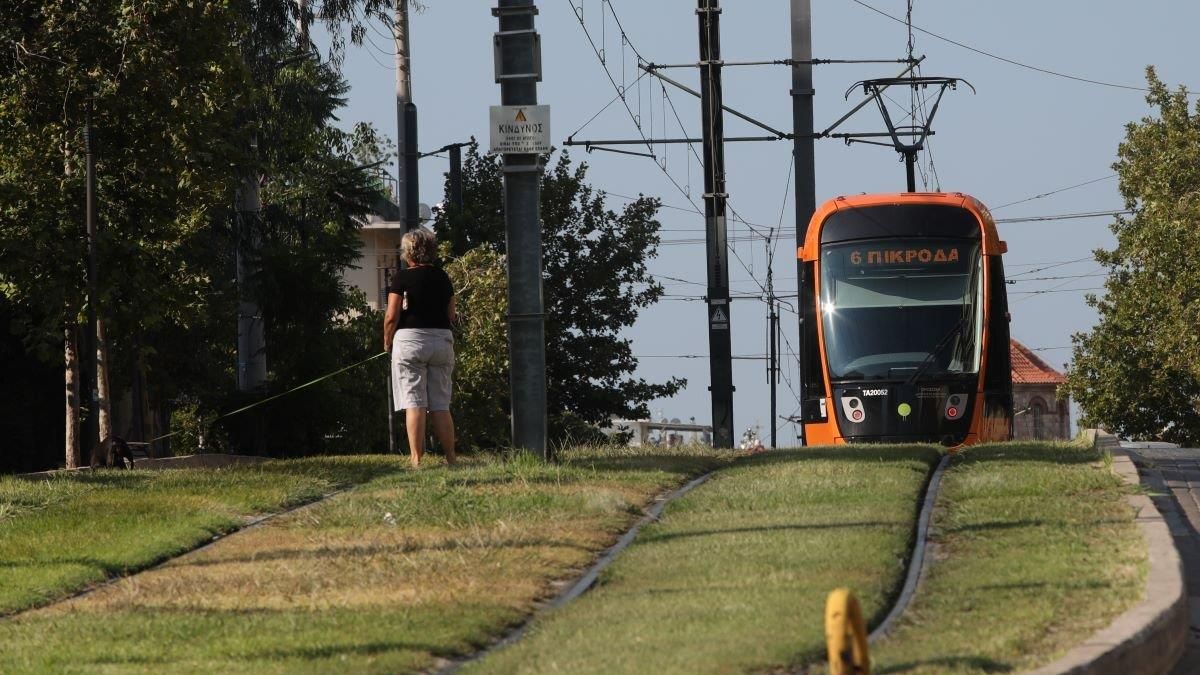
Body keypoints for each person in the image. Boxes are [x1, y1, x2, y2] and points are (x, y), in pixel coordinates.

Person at [383, 229, 457, 467]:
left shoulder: (401, 278)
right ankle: (451, 459)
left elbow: (391, 316)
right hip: (441, 340)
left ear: (408, 253)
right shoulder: (443, 277)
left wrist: (387, 341)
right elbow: (451, 315)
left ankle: (416, 459)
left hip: (410, 342)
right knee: (440, 404)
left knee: (414, 402)